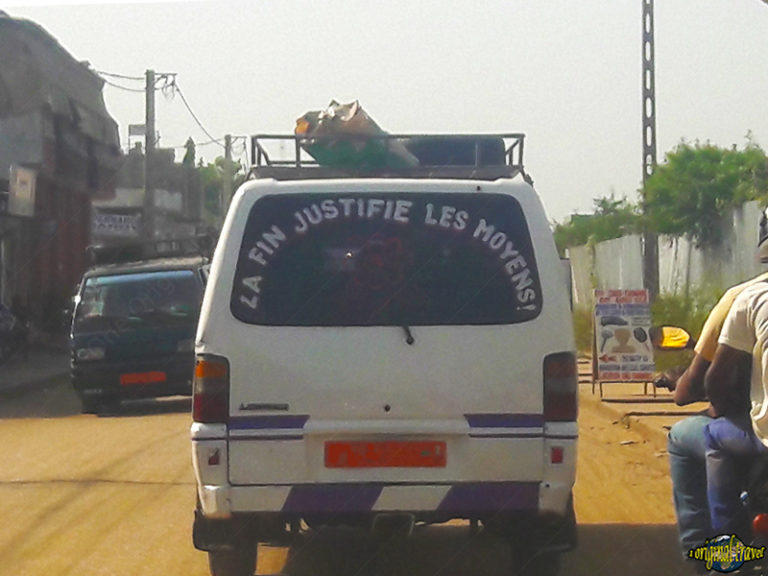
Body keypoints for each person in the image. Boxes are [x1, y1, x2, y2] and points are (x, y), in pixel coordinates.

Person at [660, 207, 768, 560]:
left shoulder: (745, 298)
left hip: (756, 434)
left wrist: (708, 401)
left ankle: (715, 549)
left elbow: (704, 384)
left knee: (688, 437)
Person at [703, 280, 768, 537]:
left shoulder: (753, 296)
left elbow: (714, 379)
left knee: (713, 435)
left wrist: (718, 406)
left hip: (763, 436)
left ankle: (727, 545)